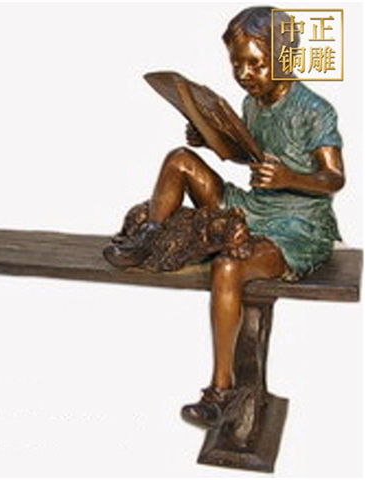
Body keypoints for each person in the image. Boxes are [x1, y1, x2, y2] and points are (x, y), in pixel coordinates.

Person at [106, 6, 345, 428]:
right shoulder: (252, 104)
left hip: (297, 226)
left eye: (256, 63)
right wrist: (209, 137)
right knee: (180, 160)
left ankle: (222, 390)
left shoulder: (314, 109)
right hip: (254, 207)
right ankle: (150, 237)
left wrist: (290, 177)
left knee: (228, 266)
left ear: (284, 56)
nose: (245, 74)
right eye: (237, 65)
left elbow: (334, 178)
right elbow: (246, 154)